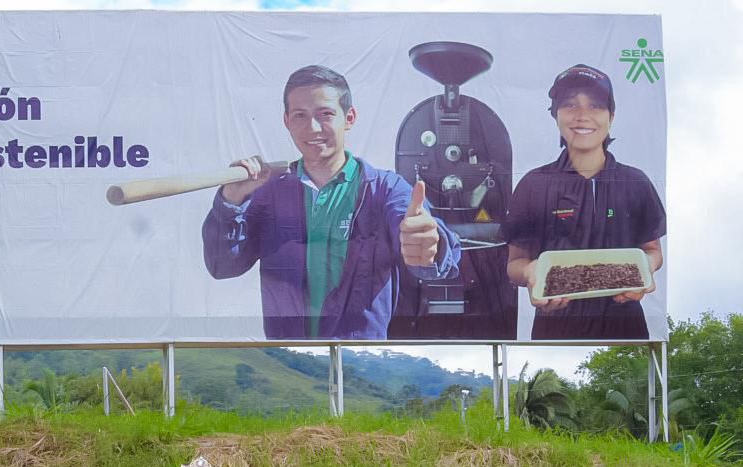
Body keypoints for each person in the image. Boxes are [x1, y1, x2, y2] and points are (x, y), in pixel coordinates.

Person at [202, 64, 460, 340]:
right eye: (300, 115)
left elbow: (429, 252)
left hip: (359, 359)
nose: (312, 128)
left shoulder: (386, 190)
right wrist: (231, 202)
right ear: (286, 121)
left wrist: (430, 245)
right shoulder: (268, 193)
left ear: (349, 118)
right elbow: (223, 266)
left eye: (325, 114)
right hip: (291, 358)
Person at [504, 64, 665, 340]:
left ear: (611, 116)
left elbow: (652, 251)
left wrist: (644, 269)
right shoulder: (534, 184)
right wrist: (531, 272)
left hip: (625, 330)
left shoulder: (635, 182)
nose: (582, 116)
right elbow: (515, 264)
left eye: (595, 106)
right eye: (570, 105)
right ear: (555, 115)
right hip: (555, 331)